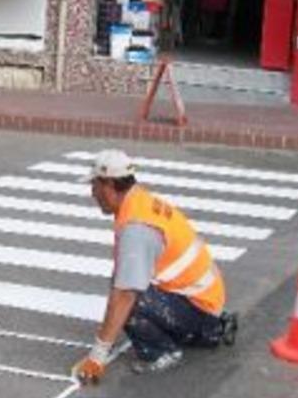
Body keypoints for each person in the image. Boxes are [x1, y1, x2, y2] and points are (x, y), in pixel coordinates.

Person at [72, 150, 238, 383]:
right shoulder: (138, 199)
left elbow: (124, 296)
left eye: (95, 185)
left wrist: (97, 356)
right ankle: (199, 329)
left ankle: (162, 351)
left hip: (201, 309)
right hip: (202, 300)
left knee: (129, 300)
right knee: (124, 280)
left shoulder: (137, 227)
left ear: (109, 184)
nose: (92, 193)